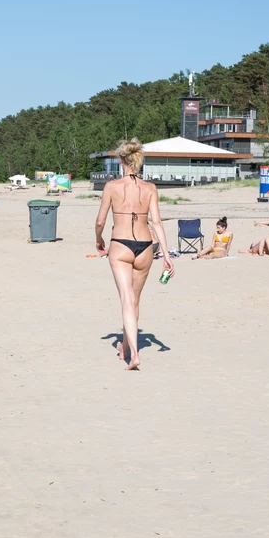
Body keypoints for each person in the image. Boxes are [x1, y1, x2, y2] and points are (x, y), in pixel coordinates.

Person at [94, 138, 174, 371]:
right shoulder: (150, 188)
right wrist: (167, 255)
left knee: (127, 301)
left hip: (120, 245)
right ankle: (125, 347)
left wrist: (98, 240)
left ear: (121, 160)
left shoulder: (112, 186)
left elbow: (100, 220)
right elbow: (157, 222)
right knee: (135, 301)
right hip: (146, 246)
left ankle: (135, 354)